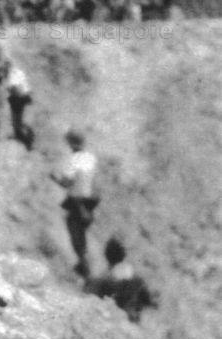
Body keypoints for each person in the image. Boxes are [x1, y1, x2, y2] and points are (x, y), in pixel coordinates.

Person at [50, 128, 99, 278]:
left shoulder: (73, 159)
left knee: (74, 232)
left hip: (76, 200)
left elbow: (66, 183)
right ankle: (83, 262)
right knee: (82, 232)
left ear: (70, 143)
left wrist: (54, 178)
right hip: (90, 200)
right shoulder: (91, 157)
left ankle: (84, 266)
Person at [85, 237, 157, 322]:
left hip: (120, 297)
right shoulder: (128, 267)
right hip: (130, 295)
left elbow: (108, 284)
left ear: (108, 256)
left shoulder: (112, 272)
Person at [6, 63, 34, 150]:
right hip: (21, 98)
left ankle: (27, 142)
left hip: (18, 99)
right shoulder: (18, 72)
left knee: (17, 121)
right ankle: (23, 137)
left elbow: (14, 89)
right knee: (17, 120)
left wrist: (12, 92)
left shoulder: (13, 75)